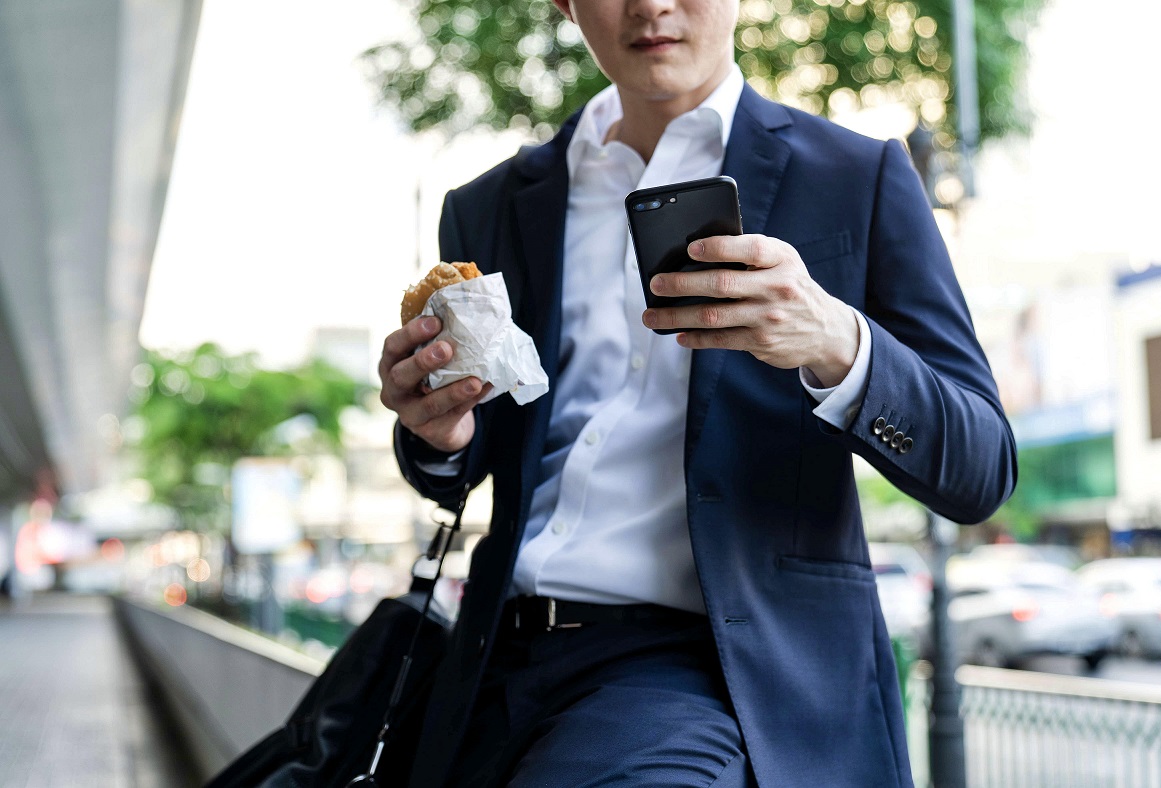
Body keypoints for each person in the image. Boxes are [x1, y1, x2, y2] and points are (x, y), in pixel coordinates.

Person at [379, 0, 1017, 785]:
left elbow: (981, 468)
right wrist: (435, 433)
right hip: (489, 666)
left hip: (706, 666)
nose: (652, 5)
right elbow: (469, 460)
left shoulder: (855, 177)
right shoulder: (489, 205)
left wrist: (835, 342)